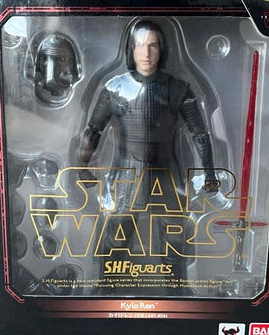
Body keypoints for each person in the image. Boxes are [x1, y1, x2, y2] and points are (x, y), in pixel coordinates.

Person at [79, 19, 219, 293]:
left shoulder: (178, 89)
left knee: (174, 240)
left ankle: (177, 292)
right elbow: (93, 130)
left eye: (152, 45)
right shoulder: (115, 88)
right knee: (116, 238)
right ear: (131, 50)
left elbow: (200, 134)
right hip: (126, 175)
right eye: (140, 45)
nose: (146, 53)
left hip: (167, 175)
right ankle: (105, 290)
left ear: (161, 49)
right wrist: (82, 167)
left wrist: (210, 173)